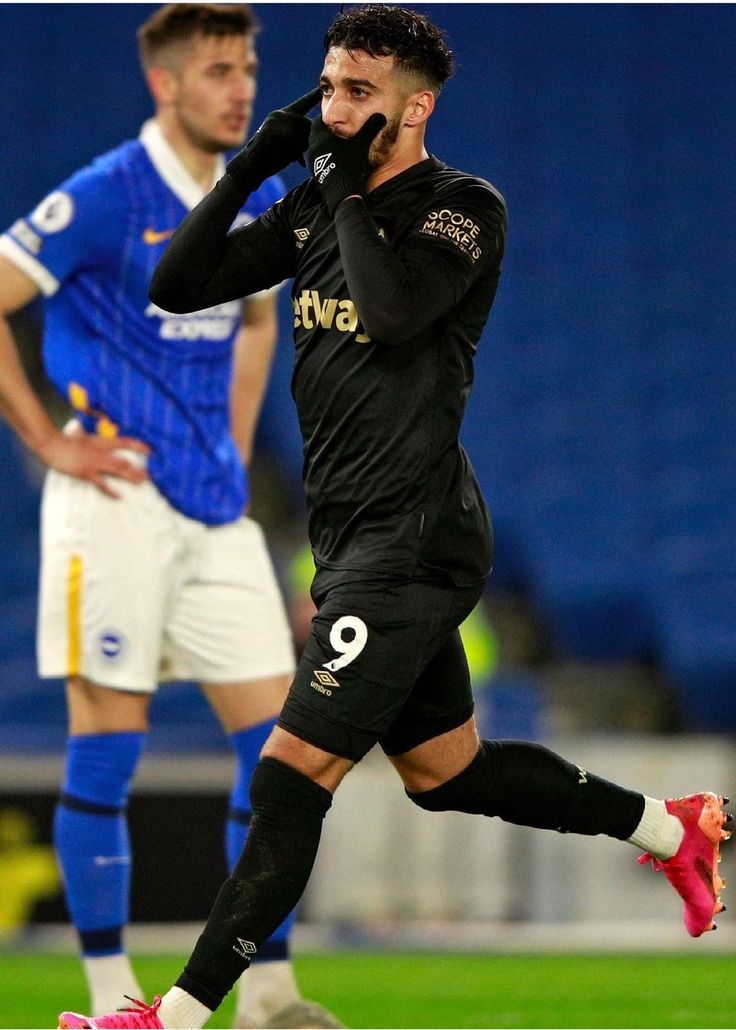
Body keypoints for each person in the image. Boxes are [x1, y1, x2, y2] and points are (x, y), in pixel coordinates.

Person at [56, 5, 732, 1029]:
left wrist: (330, 185)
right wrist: (252, 169)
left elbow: (389, 312)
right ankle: (668, 828)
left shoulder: (461, 208)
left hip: (413, 539)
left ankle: (177, 1015)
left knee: (291, 773)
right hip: (350, 540)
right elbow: (175, 281)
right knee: (444, 771)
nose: (333, 109)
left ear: (414, 108)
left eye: (357, 94)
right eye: (326, 88)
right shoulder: (316, 203)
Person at [0, 5, 341, 1029]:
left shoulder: (260, 192)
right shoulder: (107, 194)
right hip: (111, 503)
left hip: (215, 507)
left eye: (247, 67)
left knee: (282, 751)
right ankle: (113, 996)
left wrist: (233, 445)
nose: (243, 88)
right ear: (166, 85)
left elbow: (253, 317)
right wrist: (48, 439)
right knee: (109, 743)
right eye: (219, 71)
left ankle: (268, 992)